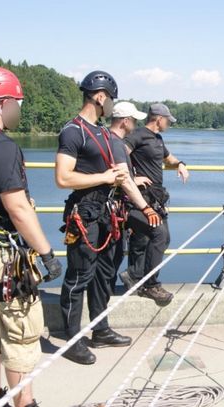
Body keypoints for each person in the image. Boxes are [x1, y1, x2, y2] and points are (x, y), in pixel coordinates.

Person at [56, 71, 160, 365]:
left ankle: (100, 330)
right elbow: (62, 177)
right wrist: (102, 176)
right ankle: (72, 339)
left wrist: (145, 207)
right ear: (100, 97)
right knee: (79, 276)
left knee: (104, 275)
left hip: (108, 215)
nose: (112, 104)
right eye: (111, 98)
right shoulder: (72, 131)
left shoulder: (102, 133)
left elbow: (123, 178)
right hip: (85, 214)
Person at [0, 67, 62, 407]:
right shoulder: (0, 147)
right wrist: (46, 252)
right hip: (0, 258)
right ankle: (23, 403)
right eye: (17, 102)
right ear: (3, 103)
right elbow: (18, 207)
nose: (19, 109)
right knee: (20, 336)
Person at [120, 103, 189, 306]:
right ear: (158, 119)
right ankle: (150, 284)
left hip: (156, 199)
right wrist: (132, 178)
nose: (169, 123)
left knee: (147, 239)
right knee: (160, 236)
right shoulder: (138, 135)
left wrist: (180, 164)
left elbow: (168, 159)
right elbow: (119, 153)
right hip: (139, 198)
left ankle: (134, 277)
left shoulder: (158, 139)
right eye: (168, 120)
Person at [105, 101, 150, 292]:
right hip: (111, 210)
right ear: (125, 121)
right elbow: (122, 178)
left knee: (111, 260)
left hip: (114, 209)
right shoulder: (116, 143)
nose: (136, 125)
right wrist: (145, 208)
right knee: (109, 262)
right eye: (133, 120)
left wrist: (133, 178)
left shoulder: (106, 138)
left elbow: (121, 174)